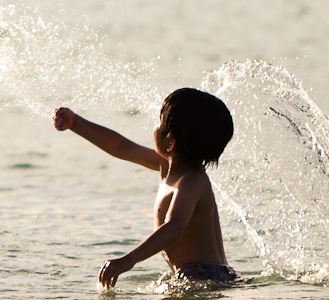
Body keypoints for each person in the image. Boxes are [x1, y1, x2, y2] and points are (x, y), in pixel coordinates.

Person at [53, 87, 239, 288]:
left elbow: (174, 227)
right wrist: (76, 123)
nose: (155, 127)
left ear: (171, 141)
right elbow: (121, 147)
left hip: (204, 276)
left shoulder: (191, 181)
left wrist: (129, 259)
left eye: (159, 122)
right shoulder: (167, 166)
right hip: (198, 275)